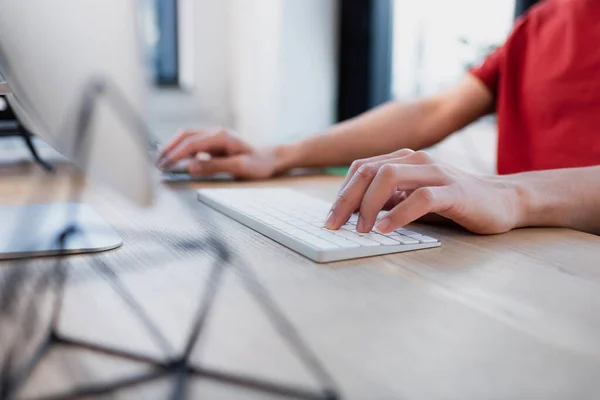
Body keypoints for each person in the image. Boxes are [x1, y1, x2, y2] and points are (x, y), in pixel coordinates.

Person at [158, 0, 600, 236]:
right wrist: (277, 155)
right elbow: (437, 110)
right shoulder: (543, 21)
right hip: (529, 259)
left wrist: (511, 194)